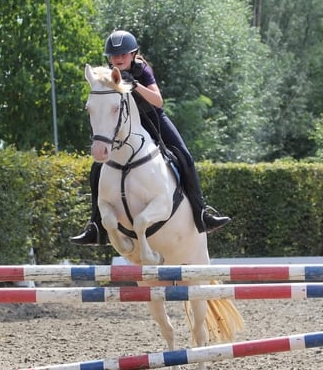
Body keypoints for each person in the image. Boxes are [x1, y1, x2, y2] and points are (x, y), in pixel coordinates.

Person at [71, 30, 231, 245]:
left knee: (184, 155)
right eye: (114, 56)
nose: (119, 59)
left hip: (153, 119)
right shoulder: (109, 78)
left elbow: (158, 101)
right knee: (97, 168)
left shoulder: (142, 70)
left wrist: (135, 85)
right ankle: (96, 225)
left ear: (133, 54)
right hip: (125, 129)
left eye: (123, 54)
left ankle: (202, 213)